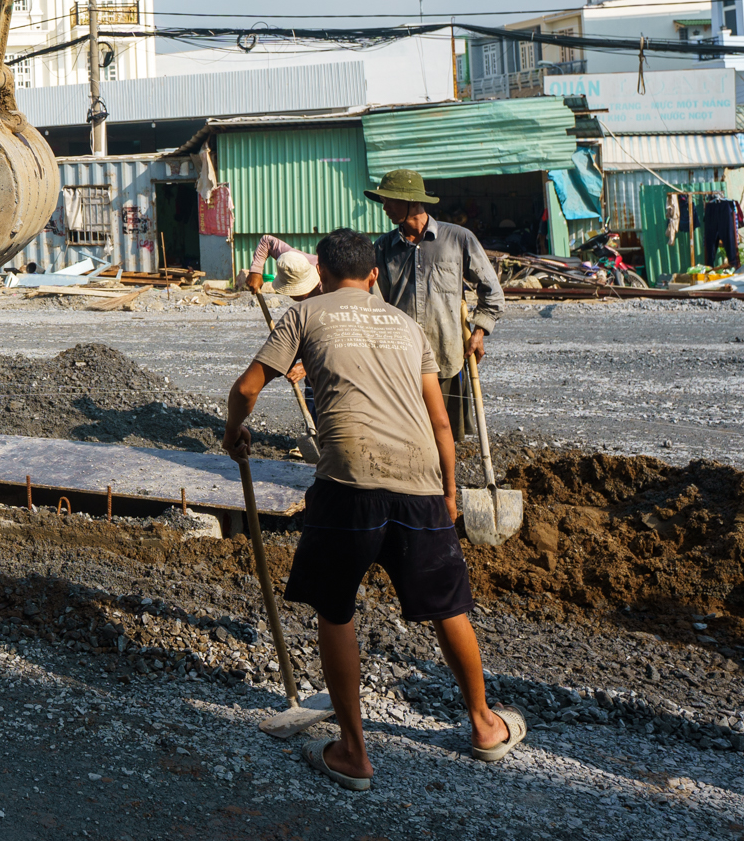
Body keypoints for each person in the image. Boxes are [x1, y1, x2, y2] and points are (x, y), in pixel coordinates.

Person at [224, 228, 523, 790]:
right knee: (447, 608)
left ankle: (354, 753)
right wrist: (450, 492)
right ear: (373, 277)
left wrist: (233, 433)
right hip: (420, 482)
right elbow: (441, 424)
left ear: (322, 275)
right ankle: (484, 726)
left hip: (347, 483)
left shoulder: (305, 316)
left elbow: (246, 389)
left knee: (336, 610)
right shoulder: (408, 327)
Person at [367, 169, 503, 442]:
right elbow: (374, 302)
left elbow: (492, 291)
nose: (385, 207)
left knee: (444, 433)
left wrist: (479, 332)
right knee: (405, 434)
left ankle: (444, 482)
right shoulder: (383, 247)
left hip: (445, 352)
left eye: (390, 200)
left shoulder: (458, 239)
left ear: (412, 202)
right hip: (401, 358)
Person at [244, 235, 321, 300]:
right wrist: (255, 271)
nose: (291, 296)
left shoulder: (328, 285)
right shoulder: (293, 259)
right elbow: (267, 241)